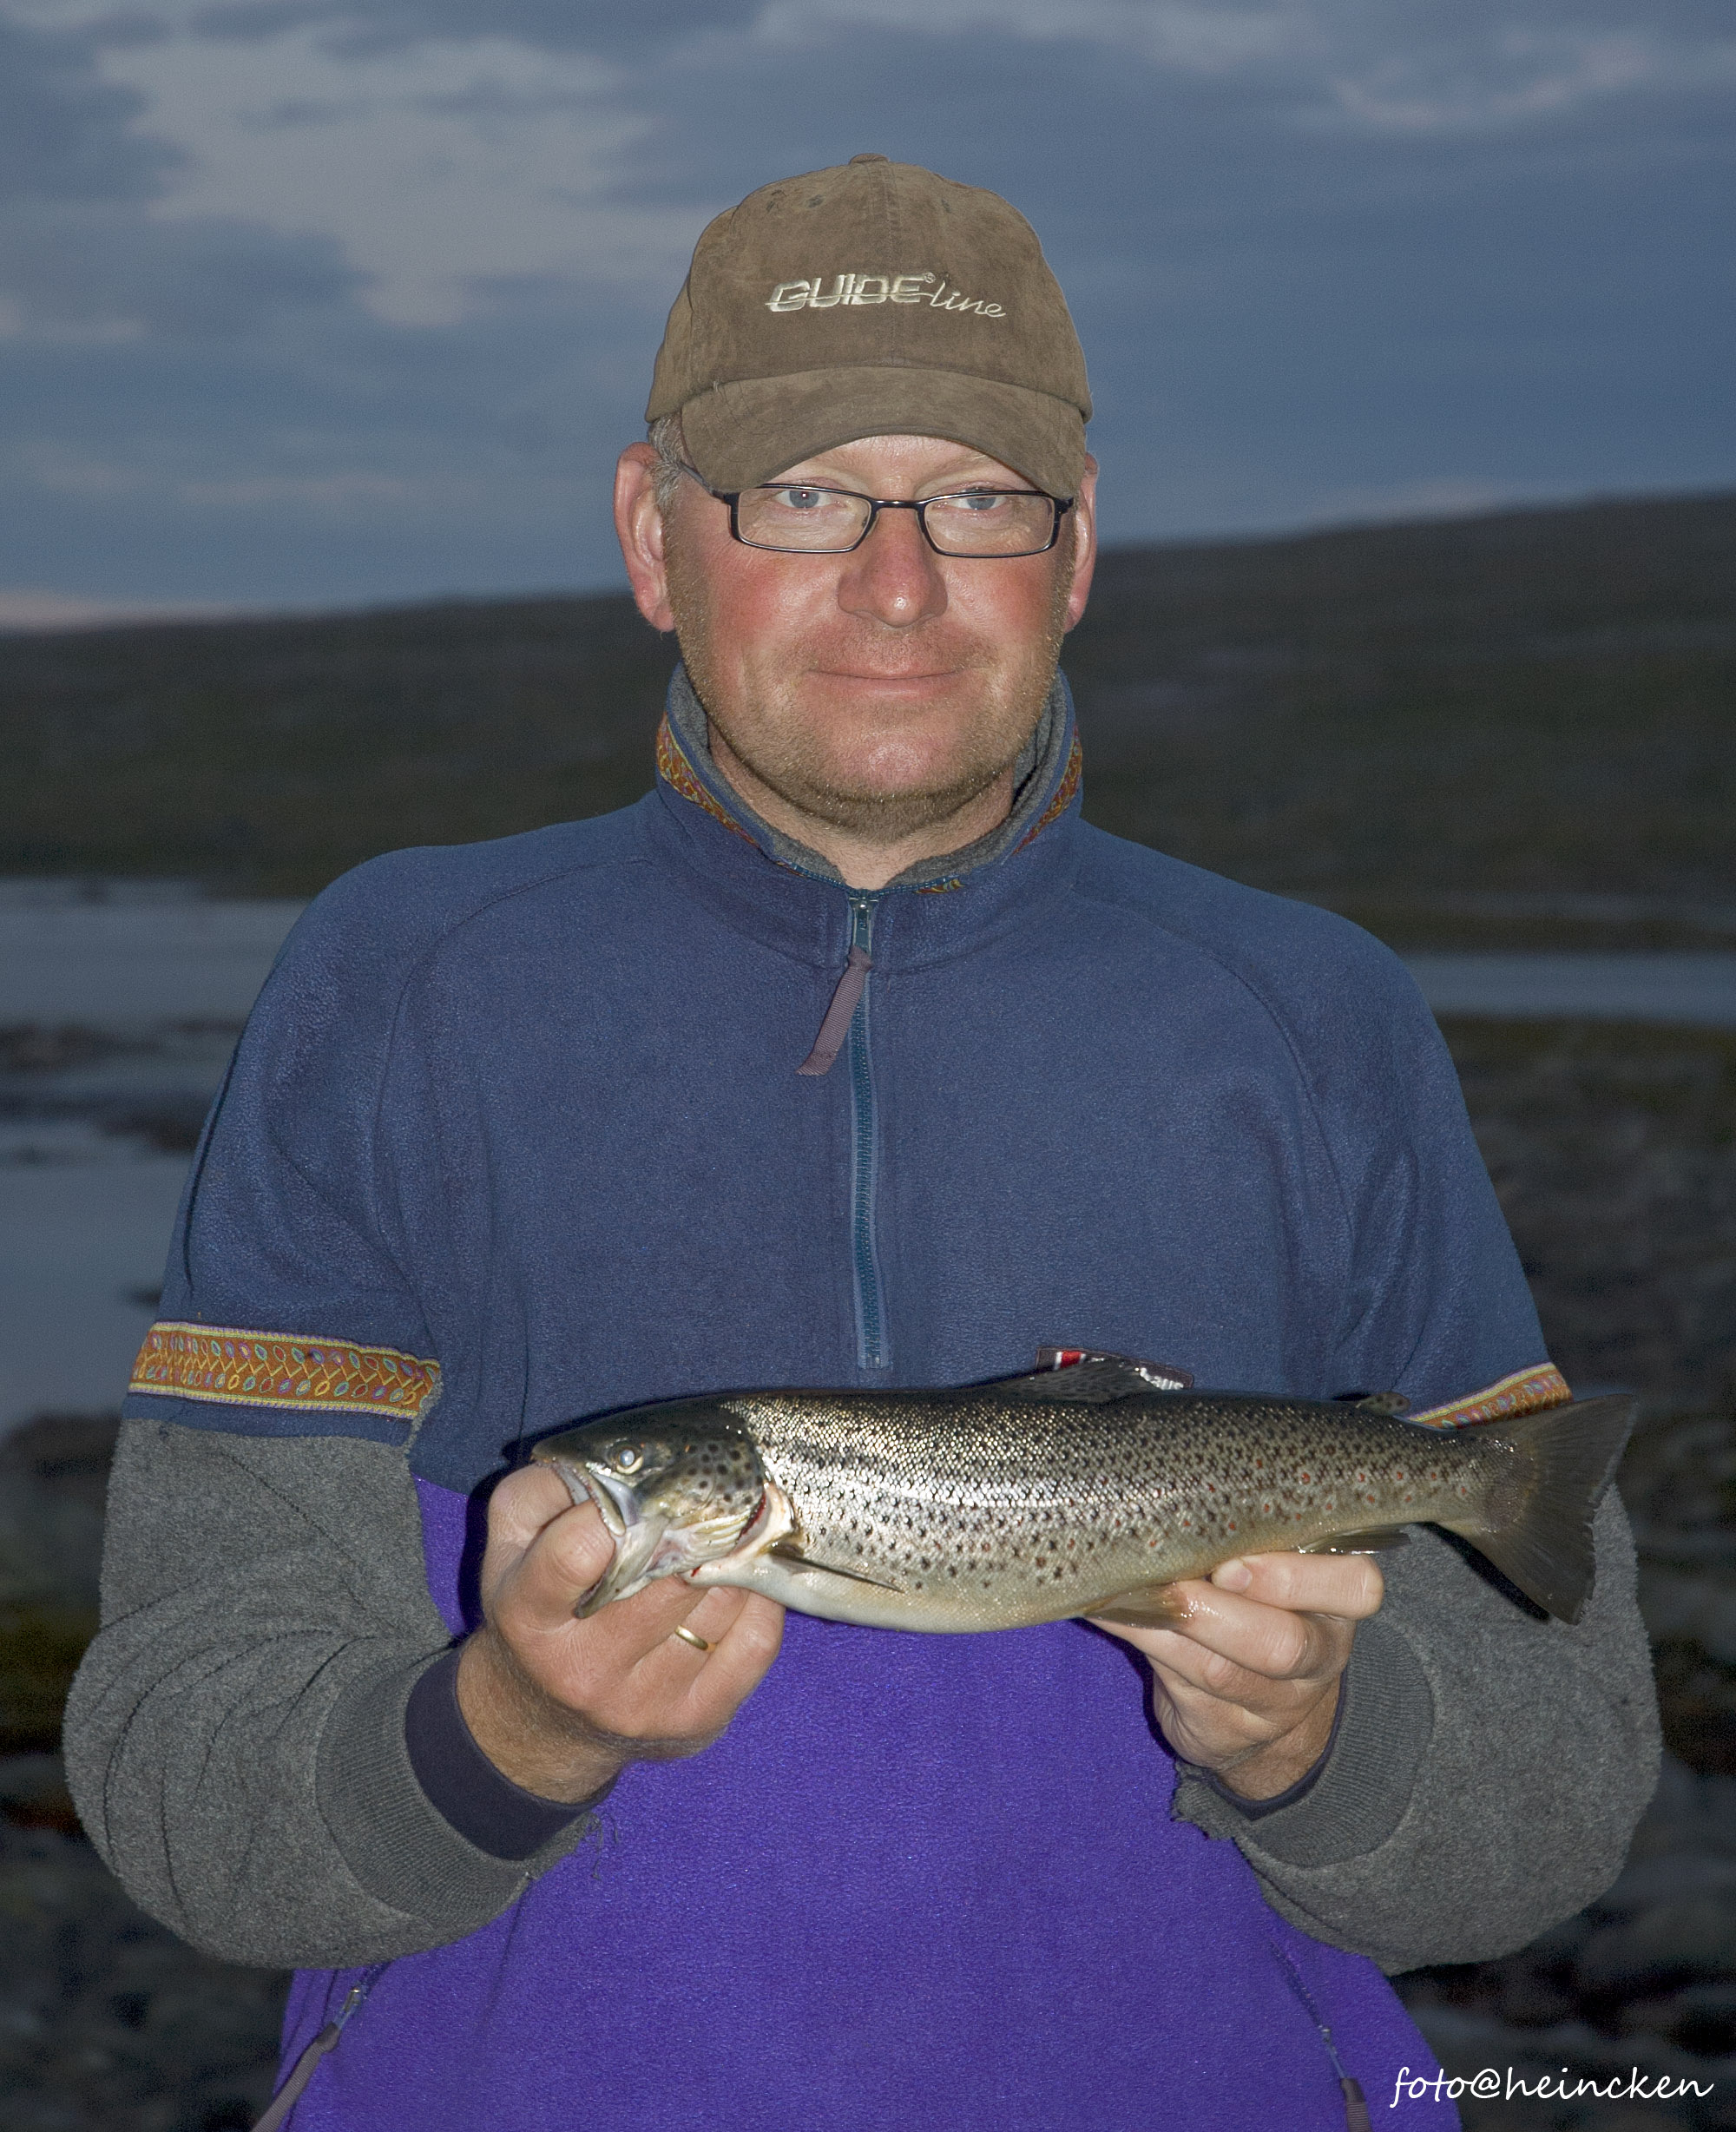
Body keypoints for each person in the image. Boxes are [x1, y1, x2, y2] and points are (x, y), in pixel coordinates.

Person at [67, 157, 1658, 2132]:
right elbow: (178, 1773)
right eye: (805, 493)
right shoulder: (396, 983)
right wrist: (505, 1733)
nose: (897, 583)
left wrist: (1314, 1739)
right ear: (653, 537)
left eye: (979, 500)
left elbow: (1557, 1787)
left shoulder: (1315, 1013)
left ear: (1077, 552)